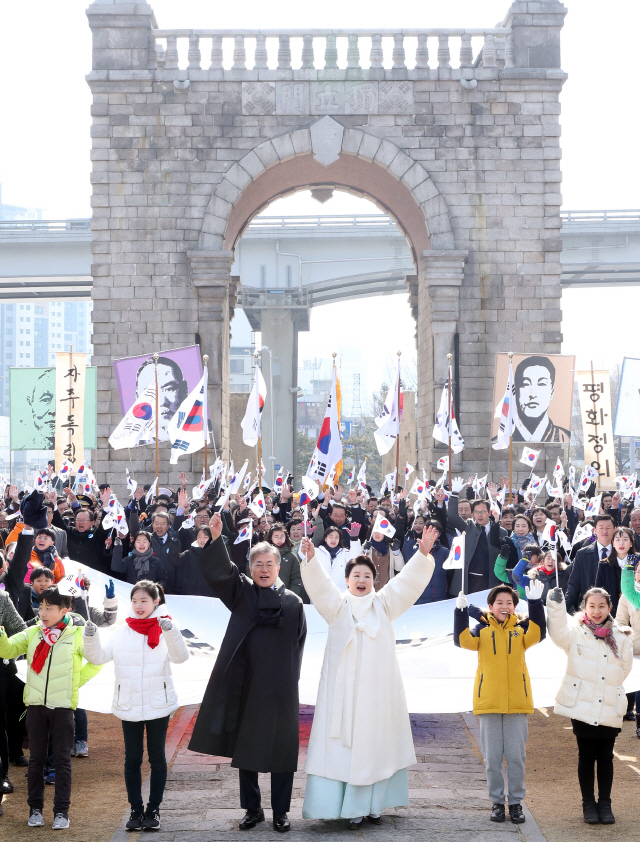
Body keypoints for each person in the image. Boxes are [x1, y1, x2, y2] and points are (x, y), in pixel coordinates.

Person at [298, 528, 437, 829]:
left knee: (377, 746)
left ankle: (375, 804)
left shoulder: (384, 604)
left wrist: (422, 554)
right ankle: (346, 807)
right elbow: (320, 586)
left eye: (366, 576)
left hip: (377, 695)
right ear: (346, 580)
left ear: (375, 581)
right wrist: (310, 559)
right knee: (344, 750)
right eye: (355, 576)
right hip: (343, 697)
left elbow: (405, 584)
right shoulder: (337, 606)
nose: (361, 581)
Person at [188, 514, 306, 833]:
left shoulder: (294, 604)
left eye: (270, 564)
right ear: (250, 568)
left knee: (281, 752)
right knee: (247, 749)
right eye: (258, 564)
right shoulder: (242, 593)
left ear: (278, 567)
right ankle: (253, 809)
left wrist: (288, 683)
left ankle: (281, 811)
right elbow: (221, 573)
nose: (264, 569)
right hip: (246, 685)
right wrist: (216, 539)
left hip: (280, 691)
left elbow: (299, 644)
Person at [83, 579, 189, 832]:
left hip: (157, 703)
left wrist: (171, 632)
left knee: (157, 759)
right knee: (132, 760)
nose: (139, 606)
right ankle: (135, 809)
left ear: (156, 602)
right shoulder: (123, 630)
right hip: (129, 702)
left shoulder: (165, 626)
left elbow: (181, 657)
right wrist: (91, 636)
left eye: (144, 600)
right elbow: (97, 657)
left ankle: (153, 809)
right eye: (134, 601)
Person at [0, 586, 101, 829]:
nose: (42, 612)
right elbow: (6, 650)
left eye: (49, 608)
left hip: (64, 707)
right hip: (35, 706)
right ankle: (35, 809)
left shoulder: (76, 634)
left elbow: (97, 662)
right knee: (36, 760)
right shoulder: (33, 632)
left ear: (64, 610)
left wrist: (75, 681)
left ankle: (61, 813)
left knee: (63, 761)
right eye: (41, 606)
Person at [454, 582, 546, 824]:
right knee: (492, 757)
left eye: (509, 603)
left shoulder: (521, 630)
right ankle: (496, 802)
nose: (504, 606)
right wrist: (460, 613)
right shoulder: (480, 631)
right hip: (490, 702)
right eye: (499, 603)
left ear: (515, 607)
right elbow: (462, 641)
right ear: (490, 607)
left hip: (517, 702)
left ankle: (515, 803)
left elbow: (538, 634)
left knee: (516, 757)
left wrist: (536, 604)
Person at [546, 586, 633, 824]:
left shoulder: (622, 636)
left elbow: (623, 670)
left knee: (606, 756)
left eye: (601, 606)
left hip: (608, 702)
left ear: (610, 608)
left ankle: (605, 803)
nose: (596, 611)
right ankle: (588, 804)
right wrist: (555, 606)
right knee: (585, 755)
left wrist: (604, 686)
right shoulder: (575, 632)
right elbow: (557, 635)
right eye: (592, 606)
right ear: (585, 607)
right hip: (581, 703)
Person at [446, 486, 508, 595]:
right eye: (476, 512)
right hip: (469, 580)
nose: (479, 515)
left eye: (483, 512)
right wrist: (454, 494)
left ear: (489, 513)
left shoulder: (501, 532)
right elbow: (453, 516)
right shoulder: (468, 526)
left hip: (490, 580)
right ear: (473, 513)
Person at [0, 578, 27, 812]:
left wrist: (8, 657)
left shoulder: (2, 599)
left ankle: (2, 777)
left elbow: (21, 632)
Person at [512, 355, 570, 443]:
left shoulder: (565, 438)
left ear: (551, 392)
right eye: (526, 384)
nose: (533, 394)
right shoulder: (501, 441)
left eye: (542, 384)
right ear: (516, 391)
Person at [566, 516, 615, 614]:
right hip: (589, 609)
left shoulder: (620, 552)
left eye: (608, 528)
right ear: (595, 530)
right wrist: (562, 609)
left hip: (615, 609)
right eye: (601, 528)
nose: (604, 531)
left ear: (614, 530)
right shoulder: (582, 554)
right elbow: (574, 585)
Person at [135, 356, 188, 442]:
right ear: (137, 398)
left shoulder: (204, 433)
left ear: (184, 390)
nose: (163, 402)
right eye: (150, 392)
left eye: (169, 389)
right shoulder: (129, 441)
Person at [314, 526, 363, 590]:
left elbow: (355, 558)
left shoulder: (344, 553)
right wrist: (305, 536)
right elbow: (303, 554)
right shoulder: (317, 551)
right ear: (325, 538)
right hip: (320, 592)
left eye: (336, 537)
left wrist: (354, 539)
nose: (333, 540)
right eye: (331, 537)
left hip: (339, 593)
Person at [266, 524, 304, 599]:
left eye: (282, 536)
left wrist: (291, 595)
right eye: (276, 536)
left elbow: (297, 578)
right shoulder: (264, 555)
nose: (279, 539)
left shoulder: (291, 556)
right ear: (271, 537)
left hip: (286, 597)